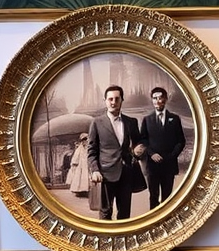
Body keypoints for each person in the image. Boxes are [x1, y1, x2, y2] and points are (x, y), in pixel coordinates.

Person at [86, 86, 146, 221]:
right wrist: (95, 170)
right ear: (105, 101)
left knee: (124, 214)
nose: (113, 102)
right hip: (105, 175)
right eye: (110, 99)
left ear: (122, 100)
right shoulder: (96, 123)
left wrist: (138, 150)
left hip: (126, 173)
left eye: (117, 99)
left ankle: (122, 240)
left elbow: (139, 143)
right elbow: (91, 151)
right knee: (105, 212)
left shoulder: (131, 122)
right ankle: (106, 241)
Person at [138, 86, 186, 208]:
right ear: (152, 100)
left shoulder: (174, 119)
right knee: (153, 196)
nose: (158, 101)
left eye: (160, 98)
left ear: (165, 99)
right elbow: (143, 140)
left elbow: (181, 141)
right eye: (155, 98)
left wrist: (172, 156)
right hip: (152, 166)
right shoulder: (147, 120)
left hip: (169, 165)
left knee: (167, 198)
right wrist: (152, 153)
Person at [66, 133, 91, 197]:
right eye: (83, 140)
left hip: (88, 164)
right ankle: (80, 191)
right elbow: (76, 156)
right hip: (81, 165)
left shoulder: (89, 148)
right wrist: (74, 163)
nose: (85, 142)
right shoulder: (79, 149)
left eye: (86, 140)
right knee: (79, 177)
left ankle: (87, 190)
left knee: (87, 177)